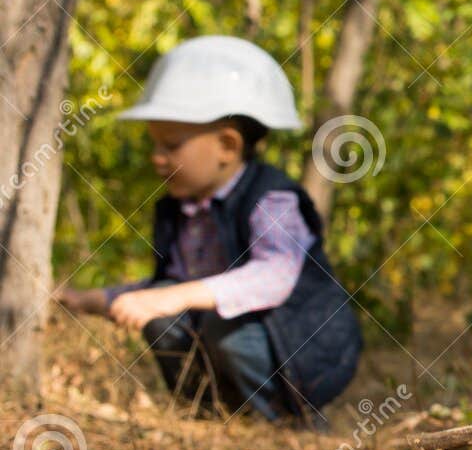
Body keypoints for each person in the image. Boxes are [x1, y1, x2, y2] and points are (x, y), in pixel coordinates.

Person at [54, 36, 362, 426]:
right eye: (155, 144)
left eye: (171, 145)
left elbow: (275, 275)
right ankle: (211, 418)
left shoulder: (271, 198)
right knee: (164, 309)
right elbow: (173, 283)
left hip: (306, 351)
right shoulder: (179, 210)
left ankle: (285, 424)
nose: (157, 158)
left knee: (215, 323)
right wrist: (92, 299)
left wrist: (170, 298)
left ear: (227, 146)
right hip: (236, 341)